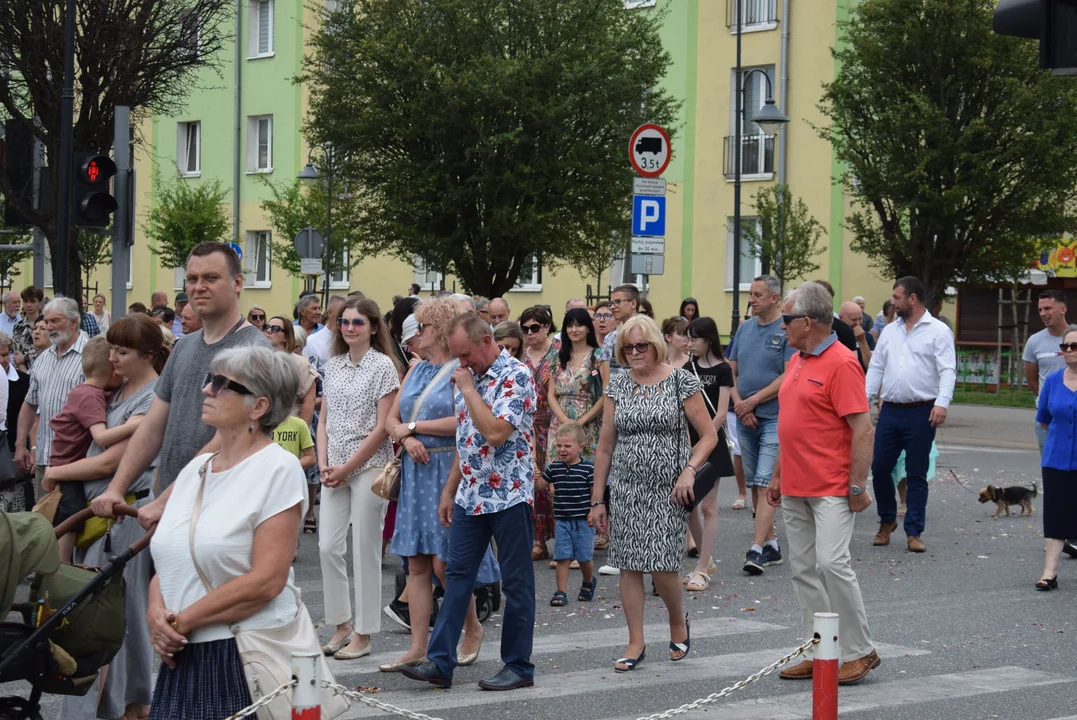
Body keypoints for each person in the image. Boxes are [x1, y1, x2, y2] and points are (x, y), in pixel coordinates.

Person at [145, 347, 314, 719]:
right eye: (211, 379)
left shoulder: (279, 468)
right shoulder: (198, 469)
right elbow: (171, 556)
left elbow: (267, 581)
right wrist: (156, 613)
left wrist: (181, 622)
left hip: (241, 655)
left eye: (223, 384)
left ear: (259, 407)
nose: (207, 390)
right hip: (183, 652)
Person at [400, 313, 537, 691]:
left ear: (486, 342)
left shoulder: (516, 376)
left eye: (465, 355)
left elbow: (494, 433)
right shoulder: (468, 376)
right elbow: (467, 439)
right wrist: (449, 490)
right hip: (470, 494)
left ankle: (518, 666)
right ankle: (440, 662)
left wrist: (471, 390)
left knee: (516, 582)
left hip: (509, 494)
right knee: (456, 576)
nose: (461, 364)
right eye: (457, 357)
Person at [89, 241, 269, 526]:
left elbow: (226, 439)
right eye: (192, 279)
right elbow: (152, 427)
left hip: (222, 509)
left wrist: (165, 501)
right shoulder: (183, 347)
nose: (199, 287)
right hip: (171, 504)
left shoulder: (253, 352)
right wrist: (116, 488)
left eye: (211, 278)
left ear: (237, 283)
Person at [51, 313, 168, 720]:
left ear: (148, 354)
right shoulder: (116, 392)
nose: (112, 357)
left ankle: (108, 709)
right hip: (101, 516)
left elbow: (111, 464)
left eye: (122, 351)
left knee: (104, 617)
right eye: (113, 349)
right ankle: (131, 703)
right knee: (114, 615)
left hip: (123, 514)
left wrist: (55, 472)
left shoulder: (153, 396)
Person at [589, 315, 717, 672]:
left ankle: (677, 620)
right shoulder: (616, 386)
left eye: (640, 346)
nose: (633, 352)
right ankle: (636, 640)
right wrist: (598, 498)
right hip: (627, 486)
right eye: (627, 347)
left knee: (662, 563)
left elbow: (709, 436)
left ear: (656, 345)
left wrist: (689, 472)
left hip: (671, 488)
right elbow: (604, 446)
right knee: (629, 563)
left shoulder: (680, 381)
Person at [767, 281, 879, 685]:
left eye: (787, 320)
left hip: (831, 486)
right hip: (796, 484)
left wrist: (856, 485)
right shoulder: (796, 360)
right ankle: (820, 650)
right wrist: (778, 475)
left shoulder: (842, 362)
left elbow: (862, 429)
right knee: (804, 571)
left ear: (808, 322)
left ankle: (859, 650)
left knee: (832, 564)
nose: (782, 327)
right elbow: (790, 426)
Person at [382, 298, 486, 672]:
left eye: (422, 328)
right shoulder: (416, 370)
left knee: (445, 564)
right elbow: (392, 418)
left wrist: (414, 429)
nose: (415, 335)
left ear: (439, 329)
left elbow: (464, 422)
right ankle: (417, 647)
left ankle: (472, 629)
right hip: (415, 469)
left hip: (446, 467)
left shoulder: (460, 371)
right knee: (416, 565)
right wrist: (406, 437)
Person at [318, 297, 402, 659]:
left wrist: (347, 466)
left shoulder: (384, 366)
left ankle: (364, 634)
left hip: (368, 468)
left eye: (357, 322)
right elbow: (323, 420)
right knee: (326, 547)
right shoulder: (332, 365)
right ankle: (341, 625)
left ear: (372, 327)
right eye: (345, 322)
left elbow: (384, 428)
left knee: (364, 550)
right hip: (332, 468)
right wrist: (323, 463)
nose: (350, 328)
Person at [866, 276, 956, 553]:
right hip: (891, 410)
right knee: (880, 468)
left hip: (922, 411)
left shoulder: (938, 331)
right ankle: (887, 521)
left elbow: (947, 370)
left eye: (896, 297)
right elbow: (877, 367)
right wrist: (863, 399)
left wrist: (942, 403)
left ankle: (914, 531)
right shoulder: (890, 331)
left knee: (916, 474)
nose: (892, 302)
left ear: (912, 299)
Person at [728, 275, 795, 575]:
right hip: (745, 416)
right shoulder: (744, 329)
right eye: (750, 294)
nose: (751, 299)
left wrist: (752, 402)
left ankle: (756, 549)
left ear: (774, 298)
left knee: (766, 481)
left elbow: (787, 377)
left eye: (757, 295)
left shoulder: (784, 330)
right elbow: (730, 370)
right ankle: (772, 544)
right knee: (755, 482)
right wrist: (740, 404)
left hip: (772, 416)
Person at [42, 337, 130, 562]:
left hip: (67, 462)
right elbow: (100, 437)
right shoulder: (90, 396)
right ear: (113, 370)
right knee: (71, 515)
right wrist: (137, 424)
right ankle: (61, 565)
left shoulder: (90, 390)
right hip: (67, 466)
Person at [15, 296, 89, 501]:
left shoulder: (90, 355)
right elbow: (30, 404)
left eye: (55, 321)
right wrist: (21, 445)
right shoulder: (43, 358)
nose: (48, 327)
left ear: (74, 321)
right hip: (43, 459)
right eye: (46, 322)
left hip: (76, 461)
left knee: (72, 526)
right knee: (44, 525)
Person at [682, 317, 736, 591]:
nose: (689, 343)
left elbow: (723, 412)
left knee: (708, 507)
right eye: (688, 338)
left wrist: (705, 440)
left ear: (709, 340)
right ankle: (706, 559)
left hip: (711, 442)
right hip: (688, 441)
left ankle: (702, 569)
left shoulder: (723, 369)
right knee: (687, 504)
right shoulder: (686, 367)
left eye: (695, 339)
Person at [1034, 324, 1077, 590]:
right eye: (1065, 346)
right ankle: (1050, 572)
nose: (1070, 351)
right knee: (1055, 515)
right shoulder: (1052, 381)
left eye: (1075, 346)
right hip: (1056, 459)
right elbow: (1045, 420)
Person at [541, 422, 596, 607]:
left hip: (583, 521)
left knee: (584, 558)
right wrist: (531, 474)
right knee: (562, 557)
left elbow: (594, 493)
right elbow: (540, 485)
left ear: (580, 447)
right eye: (558, 446)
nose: (562, 450)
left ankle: (588, 581)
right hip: (563, 521)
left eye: (567, 446)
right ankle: (561, 591)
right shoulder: (553, 468)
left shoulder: (587, 469)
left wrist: (593, 510)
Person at [519, 305, 558, 561]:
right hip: (525, 425)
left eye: (535, 327)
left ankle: (567, 539)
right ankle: (538, 539)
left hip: (551, 424)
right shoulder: (520, 356)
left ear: (546, 327)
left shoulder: (557, 353)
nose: (529, 333)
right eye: (525, 328)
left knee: (553, 483)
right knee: (530, 483)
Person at [548, 308, 606, 462]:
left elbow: (606, 394)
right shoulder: (557, 356)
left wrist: (581, 421)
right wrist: (564, 419)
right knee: (557, 474)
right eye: (569, 326)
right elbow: (551, 395)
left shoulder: (599, 356)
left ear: (588, 328)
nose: (574, 330)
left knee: (586, 474)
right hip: (560, 424)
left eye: (579, 325)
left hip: (589, 423)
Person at [1025, 289, 1069, 456]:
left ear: (1062, 309)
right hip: (1047, 418)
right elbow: (1032, 381)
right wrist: (1047, 399)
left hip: (1073, 414)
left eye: (1048, 308)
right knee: (1049, 466)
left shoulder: (1074, 337)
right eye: (1040, 310)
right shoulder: (1034, 341)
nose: (1043, 313)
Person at [600, 284, 640, 378]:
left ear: (633, 304)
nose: (613, 307)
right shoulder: (611, 337)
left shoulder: (650, 333)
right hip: (615, 391)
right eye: (611, 304)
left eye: (618, 302)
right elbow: (605, 375)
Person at [305, 295, 347, 376]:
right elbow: (308, 374)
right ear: (330, 312)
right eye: (342, 312)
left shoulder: (351, 339)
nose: (345, 315)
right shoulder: (312, 341)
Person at [838, 301, 875, 372]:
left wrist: (862, 341)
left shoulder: (868, 337)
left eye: (860, 319)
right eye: (853, 320)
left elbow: (872, 368)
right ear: (840, 318)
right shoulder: (834, 337)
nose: (858, 323)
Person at [12, 285, 44, 362]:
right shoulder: (17, 327)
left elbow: (49, 352)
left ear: (39, 303)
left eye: (32, 301)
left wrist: (24, 358)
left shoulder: (47, 324)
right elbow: (17, 357)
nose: (29, 305)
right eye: (26, 301)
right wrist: (26, 373)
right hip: (24, 371)